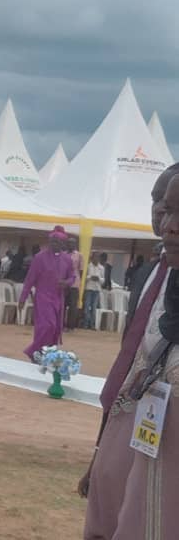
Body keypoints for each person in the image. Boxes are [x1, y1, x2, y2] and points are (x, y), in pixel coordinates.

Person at [83, 171, 179, 538]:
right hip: (138, 437)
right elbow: (132, 359)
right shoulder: (155, 276)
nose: (165, 222)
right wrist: (100, 452)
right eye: (162, 205)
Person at [18, 228, 76, 362]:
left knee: (55, 328)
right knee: (47, 325)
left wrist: (66, 283)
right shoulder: (40, 257)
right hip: (43, 296)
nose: (53, 244)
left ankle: (46, 354)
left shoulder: (67, 259)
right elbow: (30, 279)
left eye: (57, 242)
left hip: (58, 298)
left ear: (62, 244)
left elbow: (72, 277)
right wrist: (23, 298)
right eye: (51, 241)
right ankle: (34, 351)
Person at [64, 237, 83, 331]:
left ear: (75, 245)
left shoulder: (79, 255)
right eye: (69, 243)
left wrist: (79, 281)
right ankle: (61, 325)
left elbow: (81, 270)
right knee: (62, 304)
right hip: (64, 282)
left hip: (75, 283)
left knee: (73, 305)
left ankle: (70, 326)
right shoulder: (63, 254)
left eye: (72, 243)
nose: (70, 245)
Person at [83, 253, 105, 329]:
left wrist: (98, 278)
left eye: (98, 257)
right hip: (89, 288)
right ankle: (86, 324)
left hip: (97, 289)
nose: (96, 259)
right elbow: (84, 277)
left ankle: (92, 325)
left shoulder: (101, 268)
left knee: (94, 307)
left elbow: (103, 280)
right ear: (92, 258)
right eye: (95, 257)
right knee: (86, 306)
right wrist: (90, 277)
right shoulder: (88, 266)